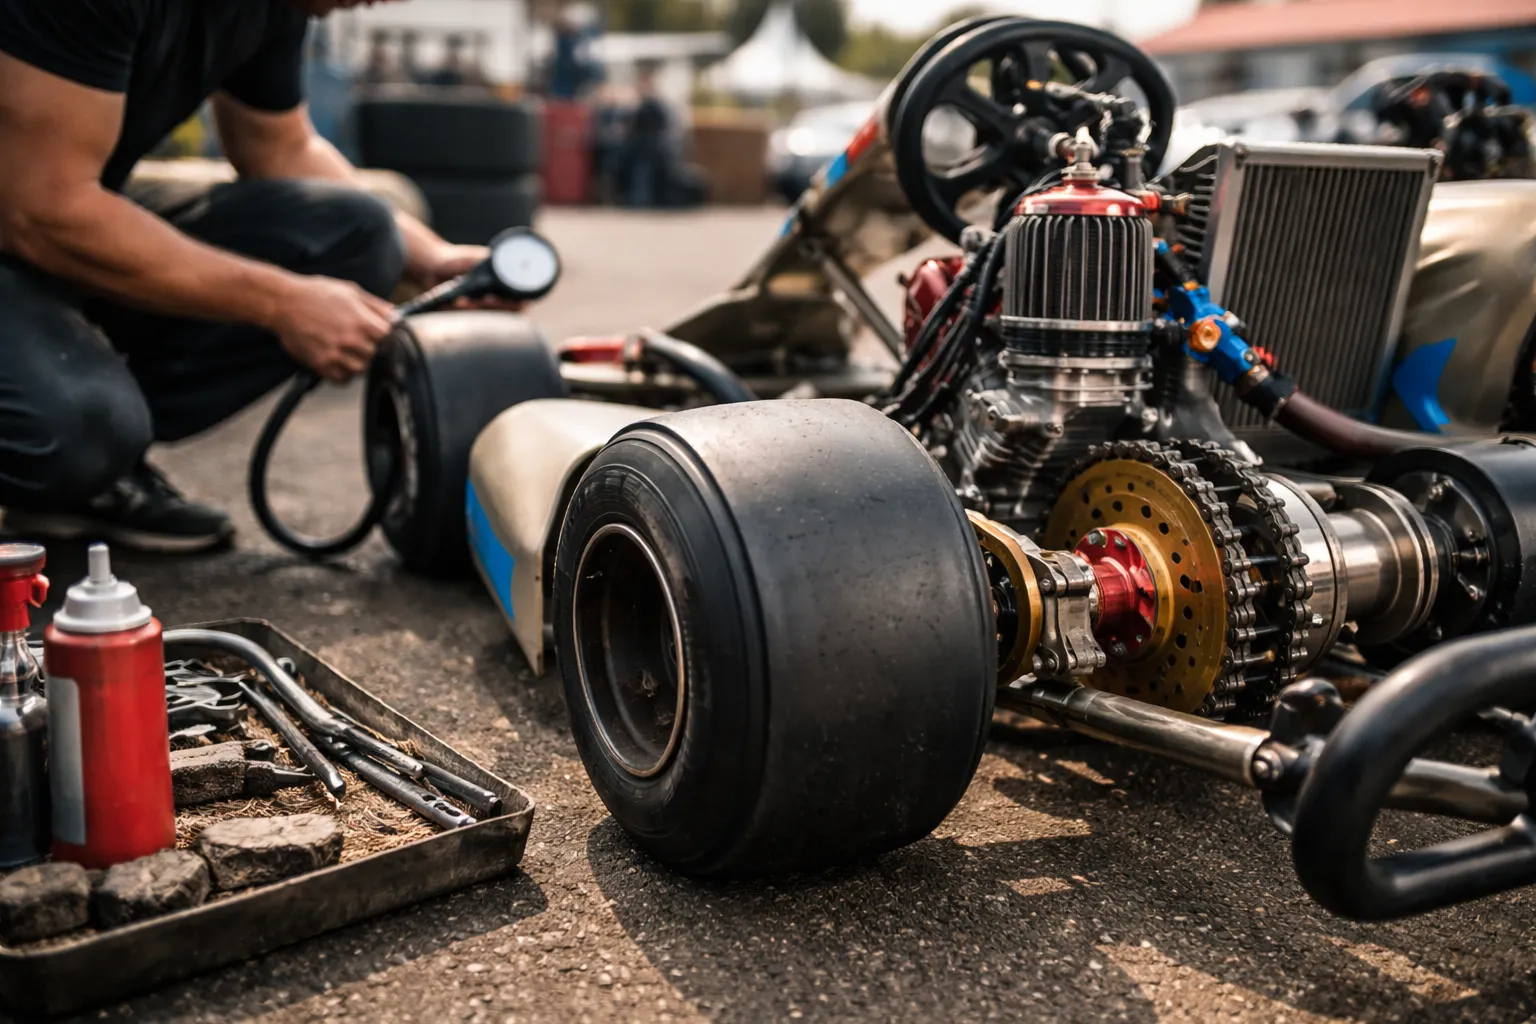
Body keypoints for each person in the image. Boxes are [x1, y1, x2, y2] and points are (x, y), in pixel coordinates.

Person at [0, 0, 494, 552]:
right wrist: (280, 302)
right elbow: (41, 210)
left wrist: (430, 258)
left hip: (49, 208)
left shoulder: (278, 6)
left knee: (360, 234)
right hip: (31, 211)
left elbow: (278, 146)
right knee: (78, 429)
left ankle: (85, 449)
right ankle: (77, 438)